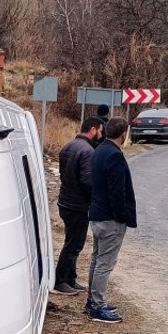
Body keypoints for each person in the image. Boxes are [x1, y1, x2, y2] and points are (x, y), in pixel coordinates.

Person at [86, 117, 136, 323]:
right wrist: (121, 216)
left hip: (96, 214)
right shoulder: (114, 155)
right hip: (109, 218)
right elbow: (117, 191)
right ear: (124, 134)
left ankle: (92, 300)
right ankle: (97, 307)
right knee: (104, 263)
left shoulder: (99, 150)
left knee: (97, 259)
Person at [54, 117, 106, 295]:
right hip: (77, 205)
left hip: (65, 201)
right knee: (74, 244)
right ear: (93, 130)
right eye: (100, 130)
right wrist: (98, 196)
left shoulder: (68, 146)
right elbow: (87, 181)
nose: (101, 134)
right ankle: (60, 280)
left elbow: (64, 174)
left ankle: (70, 278)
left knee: (72, 241)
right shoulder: (88, 151)